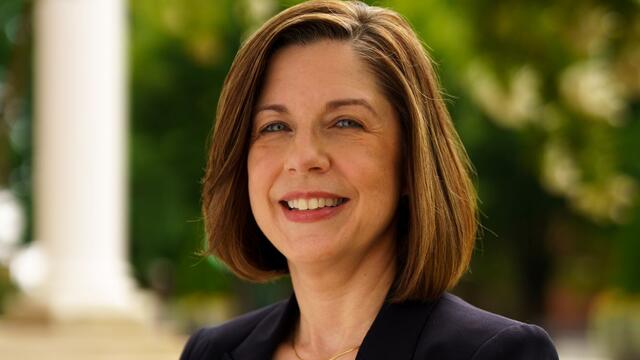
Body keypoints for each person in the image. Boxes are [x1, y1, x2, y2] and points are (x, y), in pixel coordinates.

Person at [181, 1, 559, 359]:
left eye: (346, 122)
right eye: (275, 126)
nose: (304, 157)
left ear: (411, 160)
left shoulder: (495, 354)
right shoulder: (210, 352)